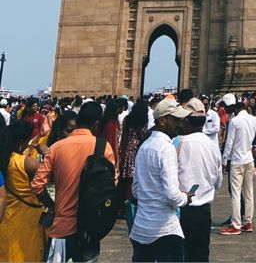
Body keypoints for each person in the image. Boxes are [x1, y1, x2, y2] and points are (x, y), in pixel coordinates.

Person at [31, 99, 116, 263]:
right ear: (96, 124)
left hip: (62, 227)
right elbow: (112, 184)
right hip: (90, 228)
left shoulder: (57, 147)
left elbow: (37, 185)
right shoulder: (104, 147)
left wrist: (52, 205)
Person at [130, 96, 193, 261]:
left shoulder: (144, 146)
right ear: (163, 121)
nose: (180, 123)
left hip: (141, 229)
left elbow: (136, 191)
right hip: (165, 229)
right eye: (176, 119)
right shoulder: (166, 148)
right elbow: (172, 195)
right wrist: (185, 198)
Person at [174, 99, 223, 261]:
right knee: (201, 256)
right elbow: (218, 182)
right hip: (204, 212)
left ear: (186, 120)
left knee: (179, 255)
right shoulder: (213, 146)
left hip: (180, 211)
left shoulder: (177, 142)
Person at [220, 97, 256, 235]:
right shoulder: (254, 119)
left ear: (236, 110)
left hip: (236, 160)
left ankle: (236, 224)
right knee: (249, 192)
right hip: (249, 159)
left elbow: (229, 143)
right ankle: (248, 222)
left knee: (236, 193)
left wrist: (225, 161)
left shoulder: (234, 121)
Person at [0, 118, 47, 262]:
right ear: (21, 142)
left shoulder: (4, 158)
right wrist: (46, 153)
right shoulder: (26, 163)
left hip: (6, 219)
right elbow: (52, 173)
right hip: (27, 221)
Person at [119, 99, 150, 212]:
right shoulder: (142, 121)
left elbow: (124, 134)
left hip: (128, 149)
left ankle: (123, 204)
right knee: (135, 178)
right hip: (138, 150)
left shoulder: (128, 119)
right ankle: (131, 202)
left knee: (126, 178)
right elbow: (143, 135)